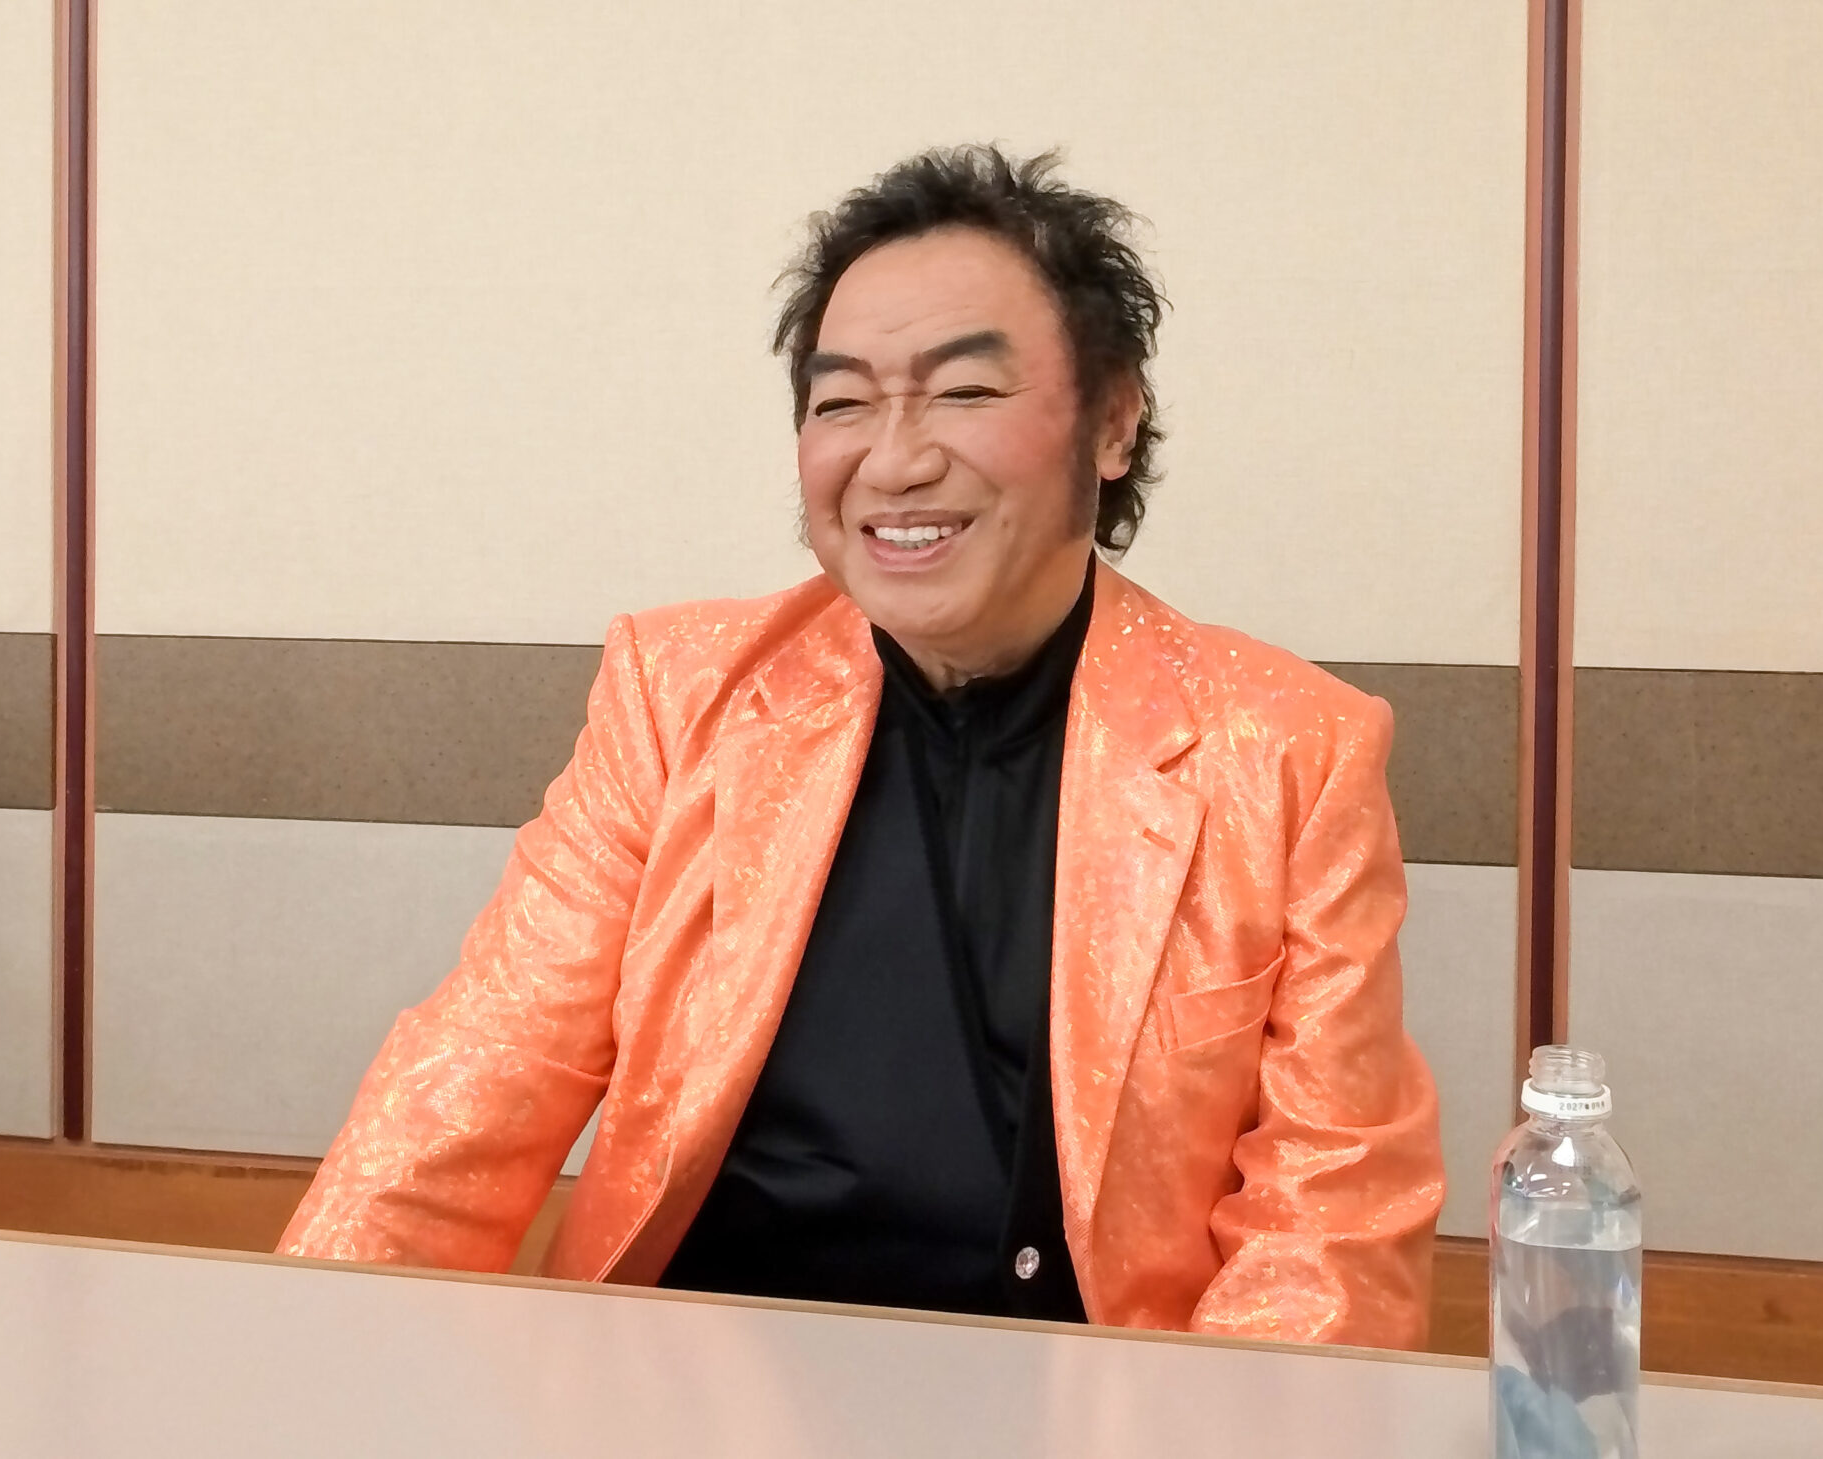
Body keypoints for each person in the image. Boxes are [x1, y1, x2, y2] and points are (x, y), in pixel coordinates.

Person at [280, 146, 1444, 1348]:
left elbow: (1328, 1219)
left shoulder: (1287, 750)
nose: (893, 460)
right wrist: (309, 1353)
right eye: (841, 403)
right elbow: (476, 1074)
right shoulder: (681, 697)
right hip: (695, 1380)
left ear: (1111, 422)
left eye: (965, 391)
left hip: (1079, 1402)